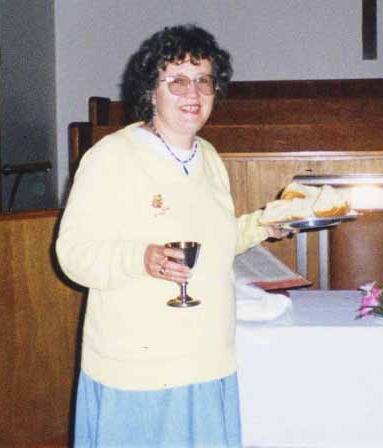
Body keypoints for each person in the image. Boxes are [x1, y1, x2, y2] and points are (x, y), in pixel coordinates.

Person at [56, 24, 290, 447]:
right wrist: (139, 258)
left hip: (207, 359)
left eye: (204, 81)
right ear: (151, 91)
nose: (193, 94)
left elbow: (211, 246)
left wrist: (260, 225)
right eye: (177, 81)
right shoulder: (111, 156)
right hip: (138, 370)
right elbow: (72, 254)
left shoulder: (211, 159)